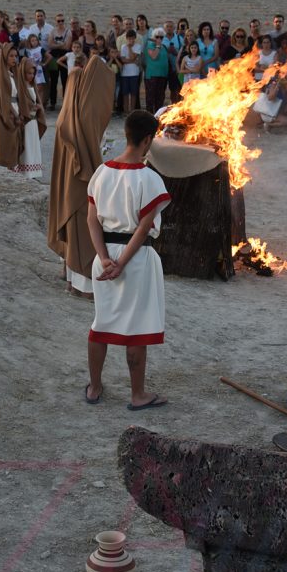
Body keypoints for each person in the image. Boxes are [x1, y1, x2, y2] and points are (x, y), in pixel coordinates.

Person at [85, 109, 170, 410]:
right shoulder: (149, 179)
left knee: (102, 322)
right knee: (137, 328)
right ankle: (138, 394)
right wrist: (121, 263)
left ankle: (95, 387)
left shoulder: (102, 172)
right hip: (136, 260)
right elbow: (144, 227)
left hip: (104, 257)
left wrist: (104, 257)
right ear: (148, 139)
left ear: (127, 135)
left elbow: (92, 219)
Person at [48, 53, 116, 299]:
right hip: (80, 184)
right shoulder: (82, 118)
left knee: (75, 231)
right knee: (85, 234)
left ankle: (71, 279)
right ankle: (83, 286)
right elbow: (89, 158)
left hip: (69, 184)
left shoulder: (68, 116)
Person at [0, 44, 22, 169]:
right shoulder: (1, 75)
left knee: (14, 143)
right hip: (7, 112)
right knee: (6, 141)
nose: (14, 59)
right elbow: (4, 99)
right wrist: (15, 114)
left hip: (14, 109)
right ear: (5, 57)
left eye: (16, 56)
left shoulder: (11, 74)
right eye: (11, 56)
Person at [16, 57, 47, 179]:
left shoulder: (32, 84)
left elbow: (36, 99)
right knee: (27, 147)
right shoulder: (20, 85)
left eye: (33, 73)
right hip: (27, 120)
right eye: (29, 73)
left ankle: (33, 172)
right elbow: (21, 102)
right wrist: (31, 107)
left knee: (33, 147)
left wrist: (39, 107)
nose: (31, 76)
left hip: (33, 121)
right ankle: (25, 172)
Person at [143, 28, 169, 114]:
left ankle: (158, 115)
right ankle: (149, 115)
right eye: (157, 37)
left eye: (161, 37)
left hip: (163, 75)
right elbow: (154, 56)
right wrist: (157, 45)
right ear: (153, 37)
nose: (159, 39)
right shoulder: (150, 45)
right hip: (152, 75)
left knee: (160, 97)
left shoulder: (164, 47)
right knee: (151, 97)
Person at [119, 30, 141, 115]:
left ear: (135, 38)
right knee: (125, 93)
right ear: (126, 38)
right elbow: (123, 60)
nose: (130, 41)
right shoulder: (123, 46)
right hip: (125, 73)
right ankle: (126, 110)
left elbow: (132, 57)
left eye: (132, 39)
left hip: (134, 73)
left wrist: (129, 48)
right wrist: (132, 61)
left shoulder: (137, 46)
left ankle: (132, 111)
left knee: (133, 93)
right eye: (129, 39)